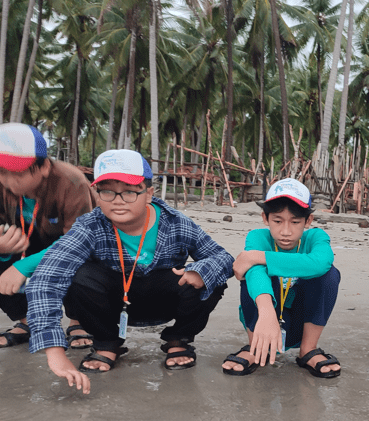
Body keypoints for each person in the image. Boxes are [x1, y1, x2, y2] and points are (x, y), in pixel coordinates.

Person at [25, 149, 234, 394]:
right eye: (107, 191)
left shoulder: (177, 224)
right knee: (76, 274)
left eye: (129, 191)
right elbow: (46, 277)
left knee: (211, 278)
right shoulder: (89, 226)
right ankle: (106, 342)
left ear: (148, 194)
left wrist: (201, 271)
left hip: (164, 299)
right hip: (112, 303)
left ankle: (179, 339)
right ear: (97, 194)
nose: (118, 200)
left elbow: (224, 258)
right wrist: (54, 352)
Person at [223, 178, 341, 377]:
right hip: (262, 318)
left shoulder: (316, 237)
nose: (286, 231)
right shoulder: (258, 237)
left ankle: (308, 349)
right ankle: (255, 347)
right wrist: (267, 312)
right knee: (252, 273)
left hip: (302, 320)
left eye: (295, 222)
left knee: (329, 274)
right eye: (277, 221)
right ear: (265, 218)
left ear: (308, 221)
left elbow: (321, 263)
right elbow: (254, 274)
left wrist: (258, 256)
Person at [0, 122, 95, 349]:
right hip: (23, 240)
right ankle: (26, 321)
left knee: (83, 265)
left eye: (19, 173)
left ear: (44, 166)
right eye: (2, 171)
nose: (10, 181)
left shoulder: (72, 182)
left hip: (72, 241)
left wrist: (24, 267)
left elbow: (79, 242)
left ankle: (78, 321)